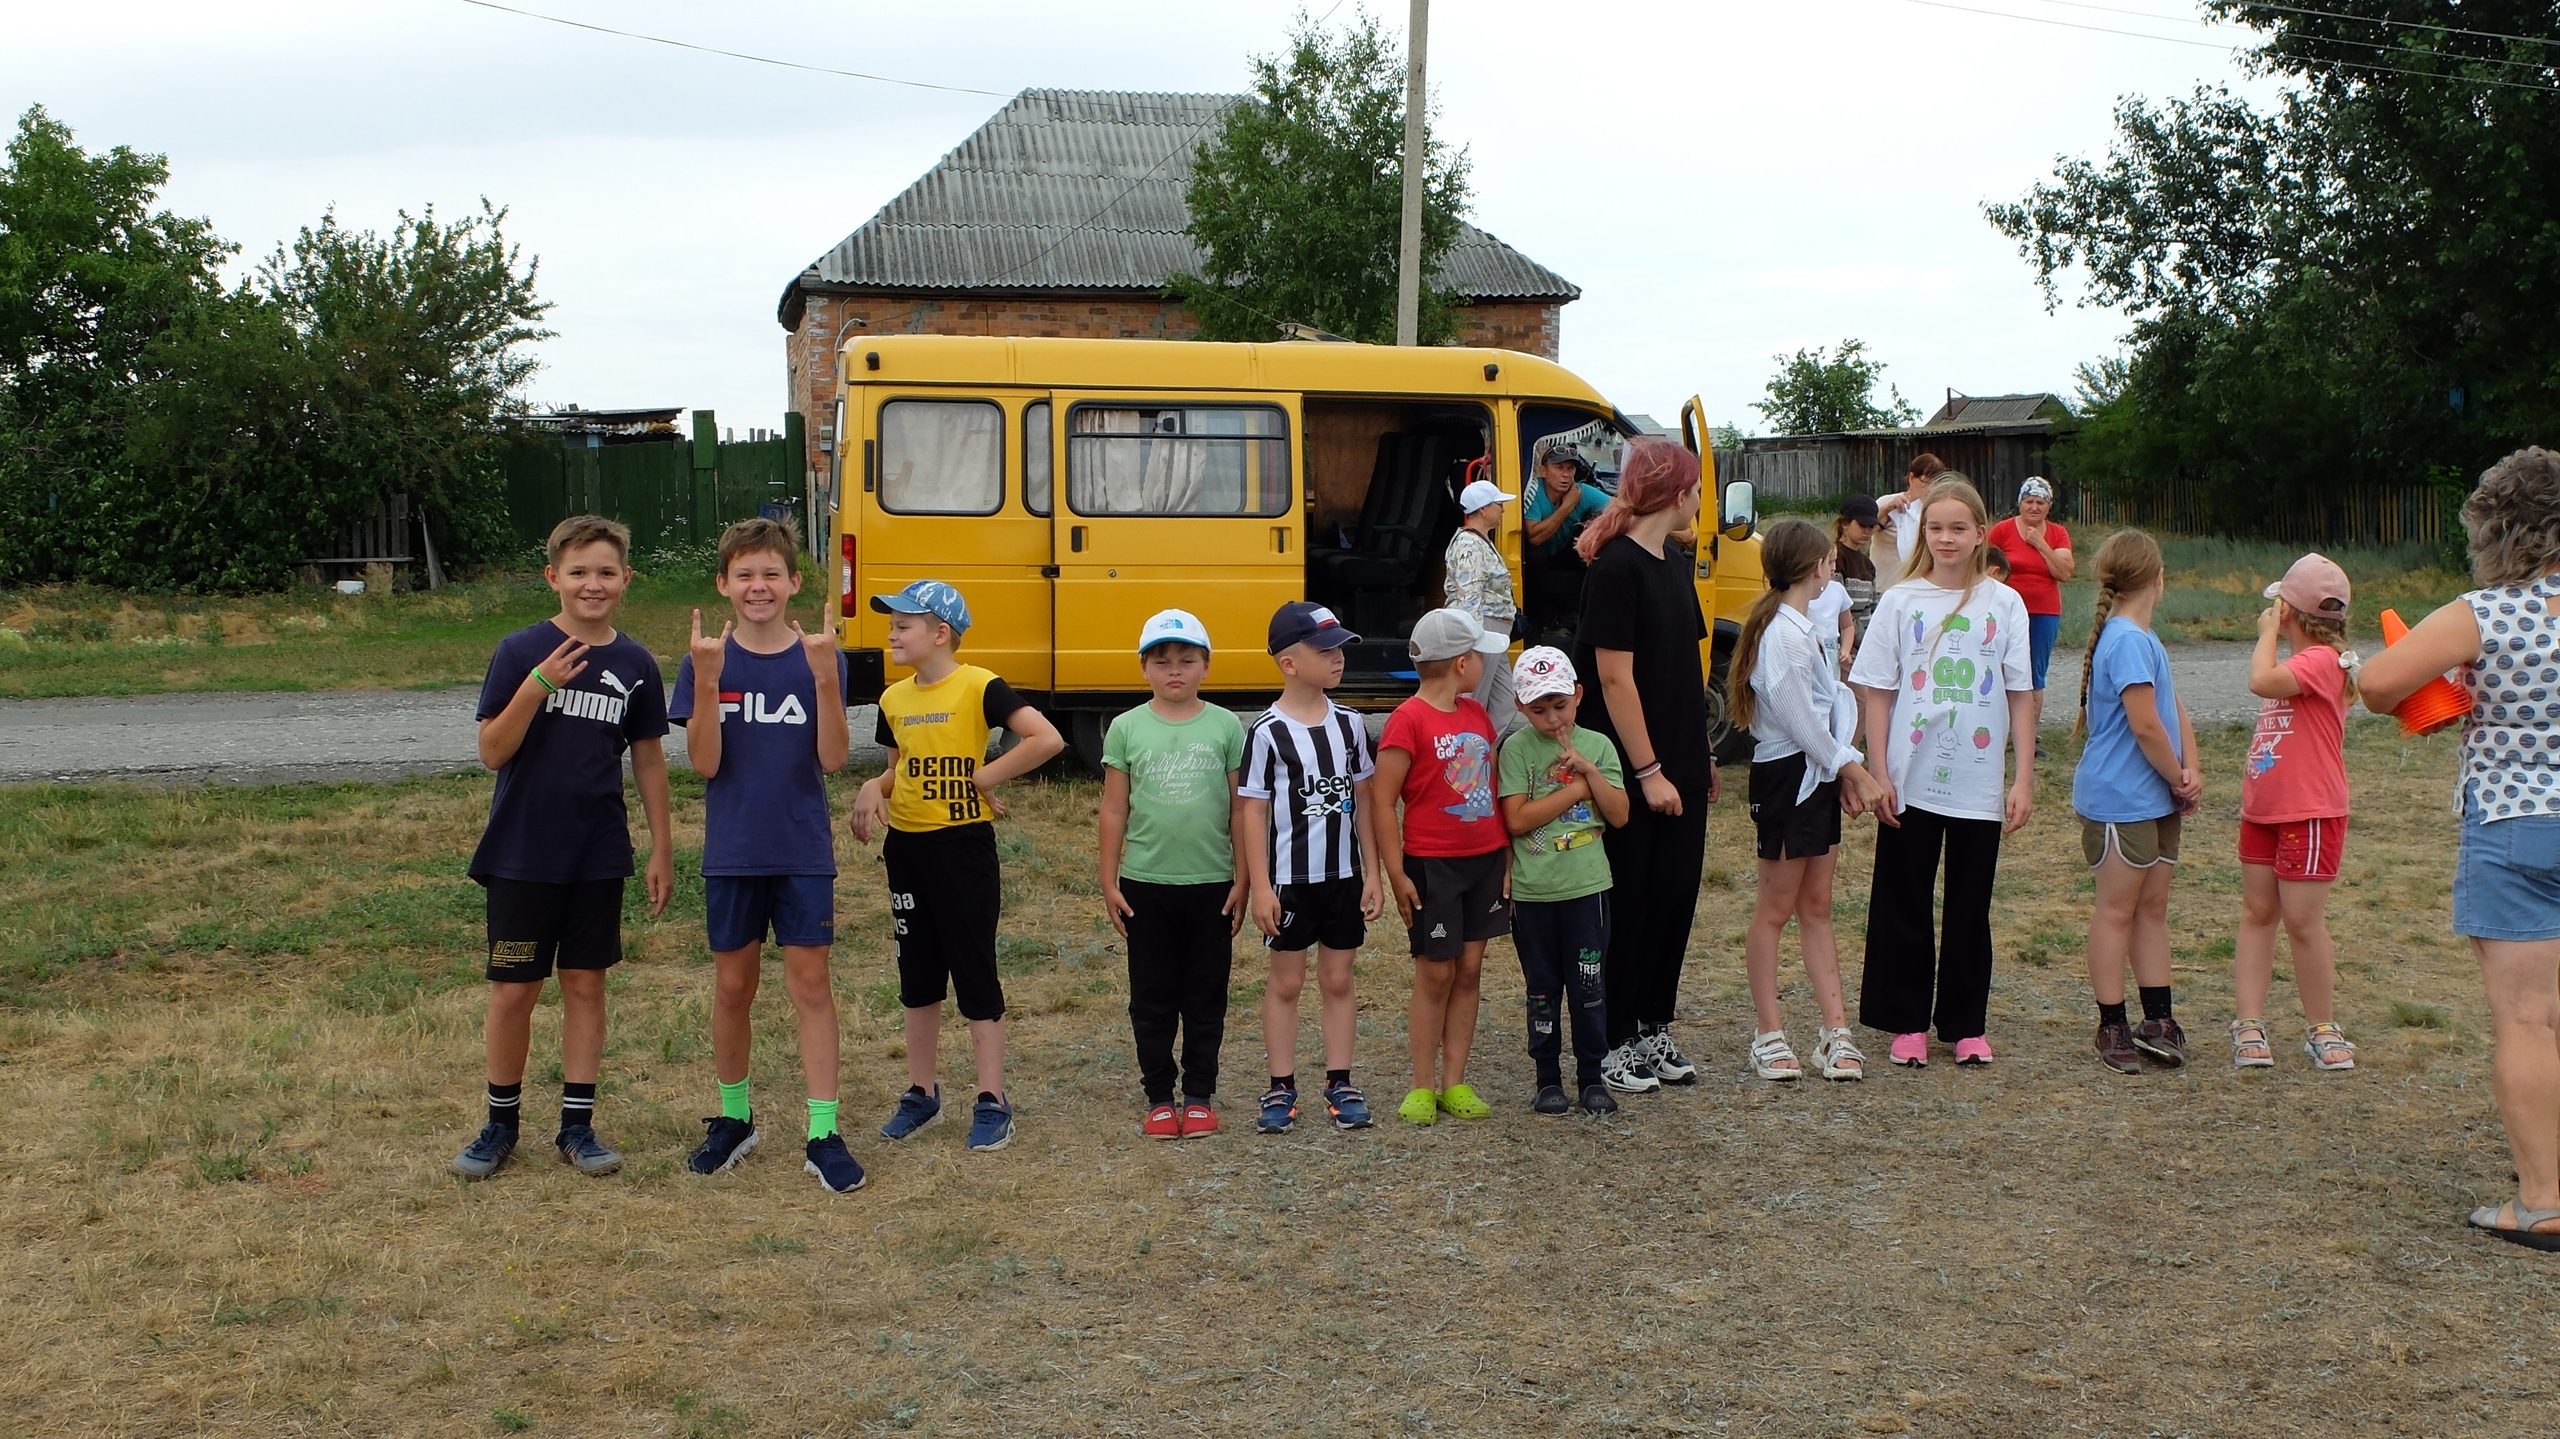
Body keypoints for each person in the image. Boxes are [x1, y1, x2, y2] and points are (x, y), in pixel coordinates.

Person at [2360, 446, 2560, 1251]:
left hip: (2512, 823)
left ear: (2496, 530)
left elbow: (2376, 683)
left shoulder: (2485, 613)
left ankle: (2543, 1200)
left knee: (2525, 1017)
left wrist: (2459, 689)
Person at [450, 515, 674, 1181]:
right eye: (579, 571)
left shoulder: (635, 664)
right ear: (554, 578)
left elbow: (650, 762)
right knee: (514, 991)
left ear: (626, 579)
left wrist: (662, 846)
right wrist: (539, 685)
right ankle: (500, 1122)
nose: (593, 583)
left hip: (596, 852)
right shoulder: (520, 649)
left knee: (584, 983)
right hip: (522, 853)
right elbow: (492, 751)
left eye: (607, 571)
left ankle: (577, 1125)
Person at [672, 519, 862, 1191]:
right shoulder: (705, 658)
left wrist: (825, 680)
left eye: (771, 574)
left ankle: (823, 1130)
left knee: (811, 985)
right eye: (744, 575)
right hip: (734, 851)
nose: (759, 587)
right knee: (733, 986)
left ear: (794, 583)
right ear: (723, 584)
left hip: (801, 847)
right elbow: (704, 762)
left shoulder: (819, 654)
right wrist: (705, 681)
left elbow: (835, 758)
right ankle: (733, 1118)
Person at [849, 580, 1066, 1153]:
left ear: (940, 633)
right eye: (891, 624)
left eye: (903, 625)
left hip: (963, 848)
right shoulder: (893, 698)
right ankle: (921, 1092)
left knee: (972, 969)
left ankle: (992, 1100)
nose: (892, 634)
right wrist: (874, 784)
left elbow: (1046, 739)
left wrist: (986, 777)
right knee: (917, 976)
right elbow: (900, 768)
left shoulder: (979, 684)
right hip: (908, 849)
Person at [1847, 474, 2035, 1068]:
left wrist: (2022, 777)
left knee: (1968, 905)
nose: (1947, 539)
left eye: (1959, 528)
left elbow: (2021, 694)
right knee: (1904, 900)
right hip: (1911, 778)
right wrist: (1879, 770)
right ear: (1921, 532)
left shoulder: (2005, 603)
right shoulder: (1902, 602)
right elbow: (1876, 691)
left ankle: (1964, 1024)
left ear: (1981, 532)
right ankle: (1906, 1022)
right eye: (1936, 528)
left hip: (1979, 783)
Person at [1573, 438, 1718, 1091]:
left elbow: (1684, 675)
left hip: (1681, 763)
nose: (1698, 500)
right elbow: (1614, 679)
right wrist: (1650, 769)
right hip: (1635, 770)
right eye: (1694, 489)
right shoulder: (1616, 569)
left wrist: (1701, 756)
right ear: (1674, 491)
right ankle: (1608, 1038)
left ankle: (1651, 1026)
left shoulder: (1672, 562)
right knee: (1628, 902)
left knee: (1675, 898)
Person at [1732, 519, 1886, 1082]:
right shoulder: (1782, 636)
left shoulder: (1804, 627)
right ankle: (1768, 1034)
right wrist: (1857, 771)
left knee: (1817, 905)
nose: (1833, 569)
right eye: (1829, 561)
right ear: (1817, 567)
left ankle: (1834, 1031)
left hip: (1817, 773)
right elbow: (1800, 724)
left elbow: (1824, 715)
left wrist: (1841, 769)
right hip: (1786, 777)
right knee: (1775, 908)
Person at [1099, 610, 1248, 1140]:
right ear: (1144, 669)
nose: (1175, 671)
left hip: (1212, 883)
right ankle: (1160, 1096)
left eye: (1187, 660)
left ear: (1206, 666)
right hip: (1145, 885)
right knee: (1153, 996)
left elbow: (1239, 808)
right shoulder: (1126, 727)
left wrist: (1244, 876)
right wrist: (1109, 879)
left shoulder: (1227, 726)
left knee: (1207, 994)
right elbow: (1115, 809)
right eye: (1162, 662)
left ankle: (1201, 1094)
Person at [1238, 601, 1385, 1134]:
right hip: (1289, 883)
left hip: (1344, 878)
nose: (1337, 658)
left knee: (1339, 978)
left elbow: (1365, 799)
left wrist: (1372, 872)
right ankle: (1280, 1086)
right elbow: (1252, 809)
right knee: (1286, 982)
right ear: (1288, 663)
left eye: (1340, 648)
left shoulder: (1351, 725)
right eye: (1324, 650)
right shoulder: (1267, 732)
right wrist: (1259, 885)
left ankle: (1340, 1081)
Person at [1375, 607, 1516, 1126]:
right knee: (1436, 971)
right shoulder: (1407, 720)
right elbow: (1383, 802)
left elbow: (1493, 789)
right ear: (1461, 663)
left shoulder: (1476, 716)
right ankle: (1420, 1084)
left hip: (1483, 863)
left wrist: (1504, 852)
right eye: (1478, 655)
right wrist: (1397, 872)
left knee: (1470, 968)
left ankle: (1455, 1082)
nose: (1483, 662)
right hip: (1433, 866)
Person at [2072, 529, 2202, 1075]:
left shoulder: (2144, 639)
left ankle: (2157, 1019)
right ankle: (2112, 1024)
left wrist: (2188, 772)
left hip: (2155, 797)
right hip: (2121, 798)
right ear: (2158, 578)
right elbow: (2145, 725)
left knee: (2151, 910)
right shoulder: (2126, 639)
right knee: (2117, 911)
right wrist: (2176, 774)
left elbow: (2173, 710)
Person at [2235, 554, 2360, 1071]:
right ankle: (2249, 1024)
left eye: (2278, 606)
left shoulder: (2323, 661)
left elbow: (2260, 682)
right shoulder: (2308, 664)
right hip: (2266, 808)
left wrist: (2267, 632)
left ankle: (2322, 1027)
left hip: (2309, 812)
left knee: (2303, 922)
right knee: (2259, 913)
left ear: (2289, 610)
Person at [1498, 647, 1630, 1116]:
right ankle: (1547, 1077)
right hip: (1535, 894)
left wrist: (1590, 772)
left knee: (1589, 984)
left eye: (1560, 705)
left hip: (1587, 888)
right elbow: (1516, 819)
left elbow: (1619, 815)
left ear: (1578, 696)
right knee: (1542, 986)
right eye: (1538, 710)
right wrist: (1575, 789)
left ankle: (1592, 1076)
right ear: (1519, 706)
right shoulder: (1515, 750)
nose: (1552, 718)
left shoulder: (1598, 746)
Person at [1987, 477, 2076, 750]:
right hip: (2005, 610)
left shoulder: (2058, 534)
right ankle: (1997, 732)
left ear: (2049, 506)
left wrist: (2040, 544)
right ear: (2020, 504)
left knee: (2034, 673)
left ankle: (2026, 736)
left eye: (2040, 502)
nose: (2034, 508)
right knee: (1999, 668)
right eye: (2029, 502)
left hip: (2043, 612)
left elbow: (2064, 572)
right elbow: (1983, 566)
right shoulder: (2002, 531)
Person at [1444, 473, 1522, 735]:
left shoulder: (1480, 542)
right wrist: (1473, 642)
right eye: (1497, 504)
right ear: (1482, 509)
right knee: (1474, 698)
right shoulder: (1469, 544)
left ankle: (1481, 750)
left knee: (1506, 701)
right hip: (1484, 630)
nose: (1502, 509)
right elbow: (1470, 596)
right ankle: (1465, 756)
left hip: (1494, 632)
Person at [1522, 437, 1611, 636]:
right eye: (1559, 467)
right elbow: (1535, 537)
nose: (1565, 475)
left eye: (1570, 469)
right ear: (1543, 470)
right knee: (1537, 554)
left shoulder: (1582, 491)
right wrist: (1568, 506)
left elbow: (1621, 509)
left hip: (1563, 554)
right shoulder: (1534, 491)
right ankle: (1534, 628)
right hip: (1534, 561)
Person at [1873, 452, 1947, 570]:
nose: (1931, 488)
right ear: (1912, 478)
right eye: (1925, 482)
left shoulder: (1936, 510)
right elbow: (1866, 531)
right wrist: (1886, 509)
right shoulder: (1886, 502)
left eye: (1937, 484)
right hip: (1886, 583)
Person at [1833, 493, 1883, 661]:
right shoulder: (1835, 558)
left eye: (1872, 526)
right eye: (1863, 525)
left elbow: (1871, 609)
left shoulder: (1867, 564)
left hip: (1862, 646)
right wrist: (1862, 645)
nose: (1868, 531)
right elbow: (1837, 608)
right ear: (1845, 523)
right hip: (1842, 649)